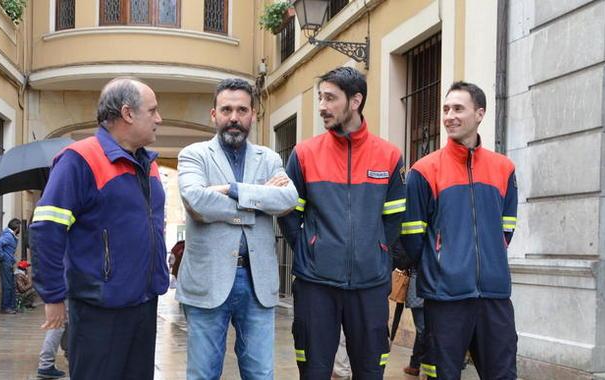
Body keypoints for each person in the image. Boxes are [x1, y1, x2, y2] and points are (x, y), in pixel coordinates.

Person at [30, 77, 168, 379]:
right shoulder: (79, 159)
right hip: (99, 308)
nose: (159, 119)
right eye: (152, 110)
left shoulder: (148, 164)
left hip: (144, 304)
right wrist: (53, 296)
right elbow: (45, 229)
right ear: (128, 113)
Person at [278, 66, 406, 380]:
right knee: (314, 372)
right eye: (321, 97)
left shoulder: (388, 156)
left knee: (369, 372)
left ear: (355, 101)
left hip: (371, 285)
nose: (322, 106)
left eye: (330, 98)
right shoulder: (305, 154)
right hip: (316, 285)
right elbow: (290, 212)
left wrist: (377, 252)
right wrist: (310, 250)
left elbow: (395, 217)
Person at [176, 78, 299, 380]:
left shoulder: (268, 158)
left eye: (242, 109)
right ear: (213, 114)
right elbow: (196, 201)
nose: (234, 117)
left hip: (257, 283)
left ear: (253, 114)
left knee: (260, 374)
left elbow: (288, 199)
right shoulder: (194, 154)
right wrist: (258, 198)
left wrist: (230, 189)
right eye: (227, 109)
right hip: (207, 281)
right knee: (202, 375)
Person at [401, 81, 518, 379]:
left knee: (503, 374)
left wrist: (487, 259)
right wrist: (445, 264)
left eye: (458, 109)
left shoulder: (504, 168)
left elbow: (506, 228)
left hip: (494, 296)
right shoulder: (423, 171)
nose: (449, 116)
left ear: (480, 113)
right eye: (446, 109)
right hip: (445, 300)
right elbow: (412, 239)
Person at [0, 218, 21, 314]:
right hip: (5, 263)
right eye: (19, 228)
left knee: (12, 285)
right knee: (8, 285)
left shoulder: (10, 235)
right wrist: (1, 256)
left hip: (9, 263)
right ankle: (6, 307)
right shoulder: (8, 236)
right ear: (17, 228)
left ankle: (12, 306)